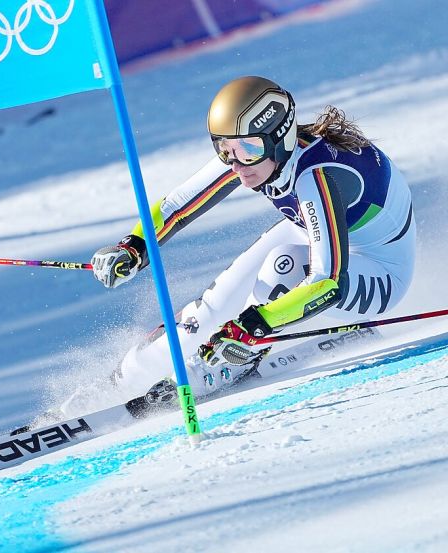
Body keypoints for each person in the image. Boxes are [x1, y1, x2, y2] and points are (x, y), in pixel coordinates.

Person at [91, 76, 416, 400]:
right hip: (313, 234)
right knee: (209, 312)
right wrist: (134, 246)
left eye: (248, 149)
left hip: (378, 273)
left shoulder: (316, 178)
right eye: (225, 149)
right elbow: (176, 207)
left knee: (282, 264)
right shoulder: (256, 155)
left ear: (280, 139)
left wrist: (255, 324)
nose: (237, 165)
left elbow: (328, 282)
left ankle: (231, 362)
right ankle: (128, 377)